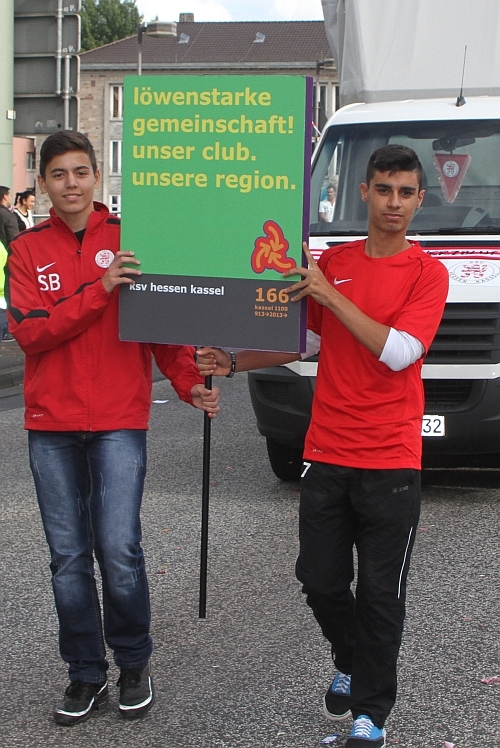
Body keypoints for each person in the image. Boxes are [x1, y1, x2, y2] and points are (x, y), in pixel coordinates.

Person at [197, 145, 449, 748]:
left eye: (405, 192)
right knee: (320, 580)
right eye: (383, 189)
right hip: (328, 450)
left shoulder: (427, 273)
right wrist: (232, 361)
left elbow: (399, 353)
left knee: (381, 594)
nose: (393, 203)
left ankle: (371, 715)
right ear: (364, 192)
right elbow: (303, 340)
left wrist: (331, 295)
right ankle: (353, 660)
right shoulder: (333, 262)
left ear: (419, 199)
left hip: (391, 458)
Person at [5, 130, 220, 727]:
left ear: (96, 176)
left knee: (119, 549)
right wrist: (99, 291)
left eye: (80, 172)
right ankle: (84, 672)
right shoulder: (26, 251)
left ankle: (133, 663)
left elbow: (161, 329)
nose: (70, 184)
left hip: (119, 420)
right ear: (43, 183)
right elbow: (31, 333)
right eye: (58, 174)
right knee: (67, 557)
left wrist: (189, 383)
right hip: (51, 424)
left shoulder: (130, 240)